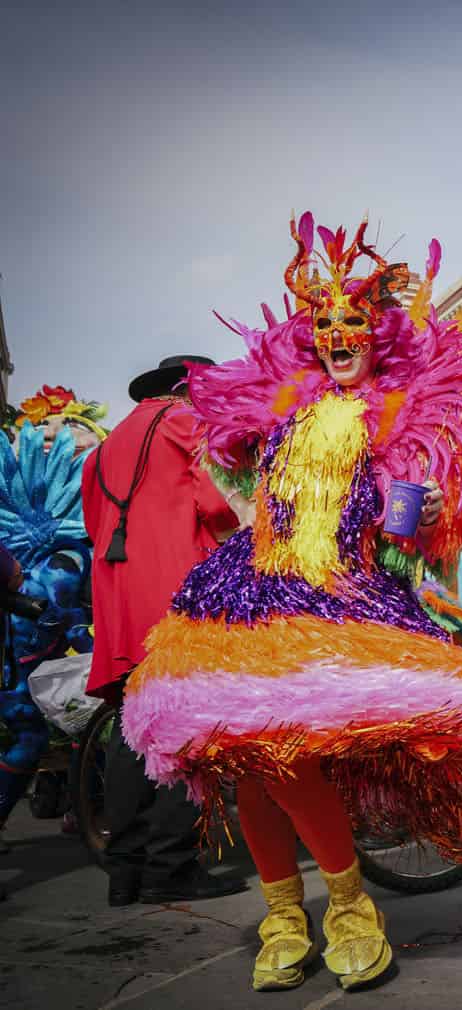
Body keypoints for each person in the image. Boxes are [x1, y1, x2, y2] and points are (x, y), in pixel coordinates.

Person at [118, 217, 462, 992]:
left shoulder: (395, 414)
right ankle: (285, 917)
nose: (338, 335)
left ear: (377, 336)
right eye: (324, 324)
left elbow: (405, 534)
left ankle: (350, 908)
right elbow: (240, 488)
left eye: (353, 323)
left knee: (285, 755)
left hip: (339, 597)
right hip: (250, 595)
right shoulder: (284, 406)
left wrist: (415, 514)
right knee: (251, 763)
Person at [81, 358, 248, 908]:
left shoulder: (106, 446)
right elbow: (218, 504)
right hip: (173, 587)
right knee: (182, 726)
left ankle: (124, 869)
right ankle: (170, 867)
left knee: (133, 731)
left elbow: (93, 525)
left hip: (119, 596)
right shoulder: (185, 423)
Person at [0, 389, 107, 854]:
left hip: (53, 647)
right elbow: (50, 602)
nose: (56, 444)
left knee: (84, 721)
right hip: (24, 656)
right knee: (34, 732)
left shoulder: (77, 537)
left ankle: (84, 807)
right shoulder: (55, 550)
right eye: (45, 438)